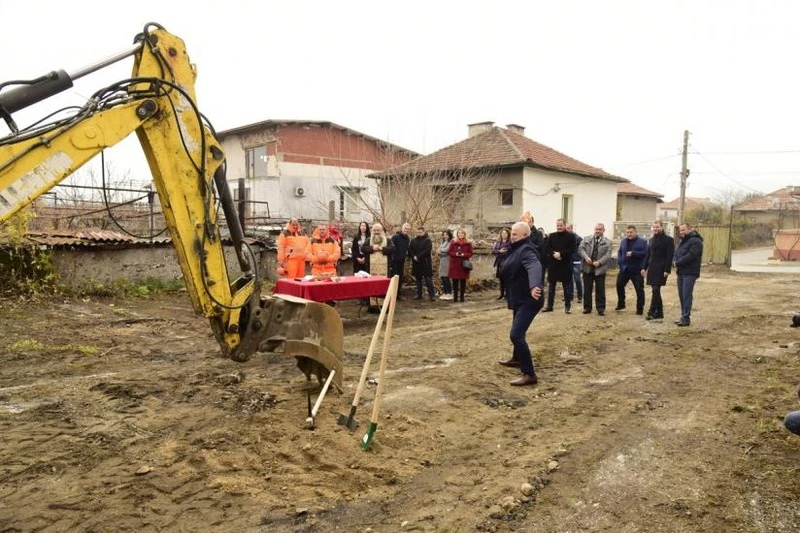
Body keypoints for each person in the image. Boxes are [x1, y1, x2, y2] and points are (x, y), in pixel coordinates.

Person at [497, 221, 544, 387]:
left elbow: (534, 266)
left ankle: (529, 374)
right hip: (519, 297)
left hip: (530, 299)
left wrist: (535, 285)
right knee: (517, 331)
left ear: (525, 235)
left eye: (515, 234)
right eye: (511, 233)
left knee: (516, 334)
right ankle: (517, 359)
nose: (511, 236)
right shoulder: (515, 247)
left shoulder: (527, 249)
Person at [641, 219, 675, 321]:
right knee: (655, 290)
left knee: (656, 290)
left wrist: (667, 270)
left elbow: (669, 256)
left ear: (662, 227)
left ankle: (652, 311)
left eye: (657, 227)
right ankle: (659, 312)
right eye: (654, 227)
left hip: (661, 269)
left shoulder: (669, 240)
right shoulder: (651, 240)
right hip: (652, 269)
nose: (655, 229)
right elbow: (648, 255)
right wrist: (644, 267)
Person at [674, 222, 704, 327]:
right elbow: (677, 253)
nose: (682, 232)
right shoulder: (683, 241)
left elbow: (691, 256)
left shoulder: (696, 241)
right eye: (680, 230)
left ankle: (686, 317)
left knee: (687, 295)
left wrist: (677, 263)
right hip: (681, 272)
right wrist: (674, 260)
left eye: (684, 230)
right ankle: (683, 316)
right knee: (682, 295)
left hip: (690, 272)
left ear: (690, 229)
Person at [579, 222, 613, 315]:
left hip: (600, 269)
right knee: (587, 289)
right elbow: (581, 249)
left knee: (600, 290)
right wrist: (586, 258)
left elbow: (608, 254)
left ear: (603, 231)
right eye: (596, 229)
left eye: (600, 229)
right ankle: (587, 308)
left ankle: (600, 308)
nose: (598, 231)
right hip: (587, 268)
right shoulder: (586, 239)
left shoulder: (608, 242)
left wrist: (600, 262)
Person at [543, 218, 575, 313]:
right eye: (558, 225)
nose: (559, 227)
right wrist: (554, 254)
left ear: (564, 225)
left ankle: (567, 307)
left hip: (565, 265)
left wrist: (561, 254)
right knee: (551, 287)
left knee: (567, 288)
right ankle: (549, 306)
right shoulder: (552, 236)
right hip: (553, 265)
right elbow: (547, 247)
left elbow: (572, 249)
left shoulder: (571, 236)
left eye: (561, 225)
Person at [361, 223, 395, 313]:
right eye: (374, 230)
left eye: (378, 230)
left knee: (384, 286)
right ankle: (373, 306)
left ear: (381, 231)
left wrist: (381, 249)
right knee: (372, 286)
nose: (376, 232)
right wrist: (372, 248)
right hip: (371, 268)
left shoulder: (388, 240)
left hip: (385, 268)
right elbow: (363, 249)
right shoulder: (368, 240)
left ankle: (384, 306)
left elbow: (392, 249)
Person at [615, 225, 648, 315]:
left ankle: (640, 309)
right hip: (624, 269)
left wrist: (634, 253)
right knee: (619, 285)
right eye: (628, 232)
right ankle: (621, 304)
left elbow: (646, 253)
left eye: (631, 232)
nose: (629, 234)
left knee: (639, 290)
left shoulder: (642, 242)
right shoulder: (623, 241)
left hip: (637, 270)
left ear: (635, 232)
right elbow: (620, 252)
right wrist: (620, 262)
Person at [408, 225, 436, 301]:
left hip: (425, 262)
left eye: (420, 232)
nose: (419, 233)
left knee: (428, 279)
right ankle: (419, 294)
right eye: (417, 232)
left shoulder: (428, 240)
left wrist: (418, 257)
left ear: (424, 232)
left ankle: (432, 295)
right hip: (416, 263)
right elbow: (410, 249)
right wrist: (413, 256)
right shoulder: (413, 240)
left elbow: (427, 250)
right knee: (418, 279)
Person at [447, 227, 473, 303]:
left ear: (464, 234)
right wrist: (456, 254)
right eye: (459, 233)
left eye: (462, 233)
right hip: (455, 264)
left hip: (464, 265)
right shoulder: (453, 242)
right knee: (455, 281)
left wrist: (463, 254)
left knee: (463, 282)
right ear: (457, 234)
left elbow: (470, 253)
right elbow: (449, 252)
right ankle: (455, 298)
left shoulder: (468, 243)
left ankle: (462, 298)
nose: (460, 234)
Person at [390, 222, 412, 300]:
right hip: (394, 261)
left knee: (400, 278)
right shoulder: (395, 237)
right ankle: (392, 295)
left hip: (401, 261)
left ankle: (397, 295)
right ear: (402, 228)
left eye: (408, 229)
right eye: (405, 228)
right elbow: (391, 248)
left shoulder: (407, 239)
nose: (406, 230)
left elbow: (407, 250)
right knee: (394, 278)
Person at [492, 228, 512, 299]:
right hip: (500, 262)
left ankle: (507, 294)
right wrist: (499, 251)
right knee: (501, 279)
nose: (504, 234)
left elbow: (511, 250)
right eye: (503, 233)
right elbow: (494, 251)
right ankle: (501, 294)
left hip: (507, 262)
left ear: (508, 234)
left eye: (505, 233)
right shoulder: (498, 242)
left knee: (507, 279)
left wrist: (506, 251)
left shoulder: (510, 242)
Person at [566, 223, 583, 304]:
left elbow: (581, 249)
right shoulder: (565, 238)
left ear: (572, 228)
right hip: (568, 261)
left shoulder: (578, 238)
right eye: (566, 228)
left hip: (576, 261)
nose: (567, 229)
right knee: (569, 279)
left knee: (577, 279)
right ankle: (570, 296)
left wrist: (578, 257)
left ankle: (580, 296)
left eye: (568, 228)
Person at [437, 229, 454, 300]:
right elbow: (438, 251)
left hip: (447, 262)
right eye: (444, 235)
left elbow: (447, 250)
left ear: (449, 235)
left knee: (446, 278)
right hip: (442, 262)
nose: (445, 236)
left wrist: (441, 250)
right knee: (443, 278)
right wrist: (441, 251)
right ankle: (445, 292)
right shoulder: (443, 242)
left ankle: (449, 293)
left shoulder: (451, 242)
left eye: (446, 235)